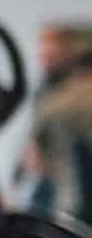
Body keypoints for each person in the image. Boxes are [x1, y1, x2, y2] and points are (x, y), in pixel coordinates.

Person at [21, 20, 92, 220]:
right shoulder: (45, 90)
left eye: (51, 54)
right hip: (52, 189)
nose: (44, 59)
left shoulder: (79, 93)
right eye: (43, 54)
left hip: (74, 196)